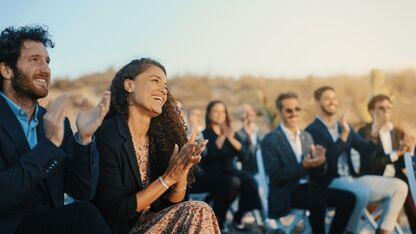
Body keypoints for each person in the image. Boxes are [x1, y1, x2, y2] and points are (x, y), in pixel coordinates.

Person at [0, 26, 111, 234]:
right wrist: (49, 146)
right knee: (83, 216)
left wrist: (84, 139)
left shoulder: (53, 121)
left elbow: (82, 190)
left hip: (54, 224)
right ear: (7, 70)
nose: (45, 69)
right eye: (34, 59)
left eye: (47, 61)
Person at [93, 58, 220, 234]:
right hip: (121, 228)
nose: (163, 90)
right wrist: (167, 179)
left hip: (153, 223)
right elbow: (114, 212)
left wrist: (181, 172)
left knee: (197, 209)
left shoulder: (159, 139)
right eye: (155, 80)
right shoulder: (108, 135)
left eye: (165, 86)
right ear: (129, 85)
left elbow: (171, 204)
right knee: (198, 210)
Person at [305, 86, 408, 234]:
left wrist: (373, 136)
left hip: (353, 179)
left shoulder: (342, 127)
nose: (332, 101)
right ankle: (350, 231)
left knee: (400, 186)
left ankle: (385, 230)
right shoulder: (312, 130)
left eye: (334, 98)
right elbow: (328, 159)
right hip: (329, 181)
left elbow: (366, 151)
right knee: (361, 192)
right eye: (327, 98)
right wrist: (345, 135)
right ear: (317, 103)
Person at [261, 92, 356, 234]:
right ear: (280, 112)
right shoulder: (271, 140)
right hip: (285, 191)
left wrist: (320, 161)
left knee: (349, 199)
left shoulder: (306, 136)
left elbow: (316, 172)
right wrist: (303, 166)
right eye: (288, 110)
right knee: (318, 201)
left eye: (297, 109)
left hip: (309, 187)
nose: (294, 113)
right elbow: (275, 176)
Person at [190, 100, 263, 232]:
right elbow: (211, 154)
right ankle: (219, 220)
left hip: (230, 170)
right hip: (211, 172)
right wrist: (222, 136)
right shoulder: (205, 134)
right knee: (233, 182)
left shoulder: (232, 133)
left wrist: (230, 138)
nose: (220, 114)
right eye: (215, 111)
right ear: (209, 114)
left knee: (249, 180)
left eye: (222, 111)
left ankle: (238, 215)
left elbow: (245, 155)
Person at [358, 94, 416, 232]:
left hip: (395, 177)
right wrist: (398, 152)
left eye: (389, 109)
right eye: (381, 108)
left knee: (412, 187)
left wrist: (409, 149)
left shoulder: (396, 132)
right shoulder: (364, 132)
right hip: (374, 177)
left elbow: (402, 163)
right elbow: (374, 163)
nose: (386, 112)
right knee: (403, 187)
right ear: (371, 111)